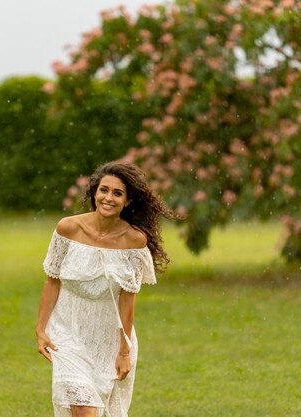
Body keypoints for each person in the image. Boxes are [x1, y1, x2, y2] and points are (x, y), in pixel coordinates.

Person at [36, 161, 177, 417]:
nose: (108, 198)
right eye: (104, 190)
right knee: (83, 409)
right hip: (67, 332)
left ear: (128, 201)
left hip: (108, 338)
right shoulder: (67, 229)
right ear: (94, 193)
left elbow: (128, 298)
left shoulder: (134, 241)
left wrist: (124, 351)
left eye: (117, 193)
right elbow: (52, 280)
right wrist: (41, 329)